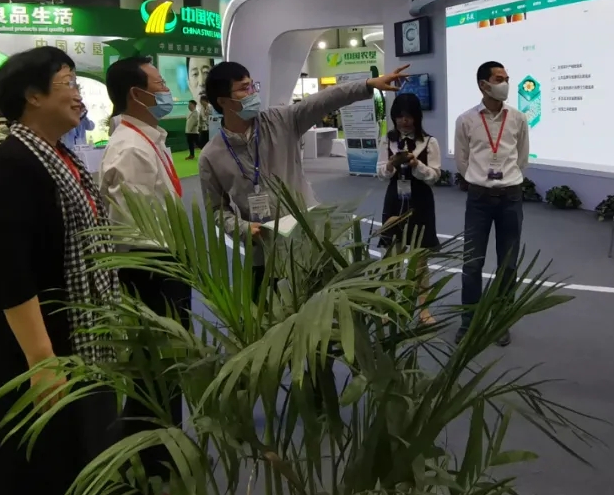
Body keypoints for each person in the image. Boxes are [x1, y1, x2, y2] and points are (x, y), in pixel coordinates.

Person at [0, 46, 119, 495]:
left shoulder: (58, 156)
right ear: (32, 96)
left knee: (75, 450)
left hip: (72, 326)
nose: (78, 95)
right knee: (38, 466)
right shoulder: (12, 165)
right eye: (68, 83)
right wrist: (42, 360)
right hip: (34, 341)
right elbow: (9, 270)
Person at [199, 60, 409, 290]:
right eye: (243, 88)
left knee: (322, 307)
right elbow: (217, 209)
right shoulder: (212, 156)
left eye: (252, 86)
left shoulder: (281, 121)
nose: (252, 93)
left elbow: (325, 100)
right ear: (222, 101)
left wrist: (368, 85)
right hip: (265, 253)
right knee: (269, 311)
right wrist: (241, 228)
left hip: (310, 244)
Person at [99, 56, 190, 460]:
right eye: (159, 84)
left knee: (165, 368)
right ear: (136, 94)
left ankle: (160, 452)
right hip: (152, 269)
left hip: (162, 264)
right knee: (158, 369)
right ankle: (153, 461)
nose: (167, 90)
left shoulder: (147, 140)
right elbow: (136, 231)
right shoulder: (131, 149)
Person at [453, 61, 530, 347]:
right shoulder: (466, 120)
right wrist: (480, 180)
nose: (505, 84)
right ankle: (468, 323)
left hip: (510, 197)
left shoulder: (518, 118)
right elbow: (462, 161)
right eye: (499, 79)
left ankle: (500, 321)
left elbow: (522, 157)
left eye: (507, 78)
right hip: (479, 199)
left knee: (508, 265)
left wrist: (506, 179)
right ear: (483, 85)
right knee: (472, 264)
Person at [378, 92, 441, 324]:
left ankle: (424, 309)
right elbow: (380, 174)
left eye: (409, 116)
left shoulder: (429, 142)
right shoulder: (387, 140)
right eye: (400, 116)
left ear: (417, 117)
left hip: (420, 201)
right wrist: (390, 165)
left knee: (420, 260)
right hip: (394, 199)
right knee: (392, 256)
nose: (404, 121)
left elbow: (435, 176)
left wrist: (417, 165)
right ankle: (389, 306)